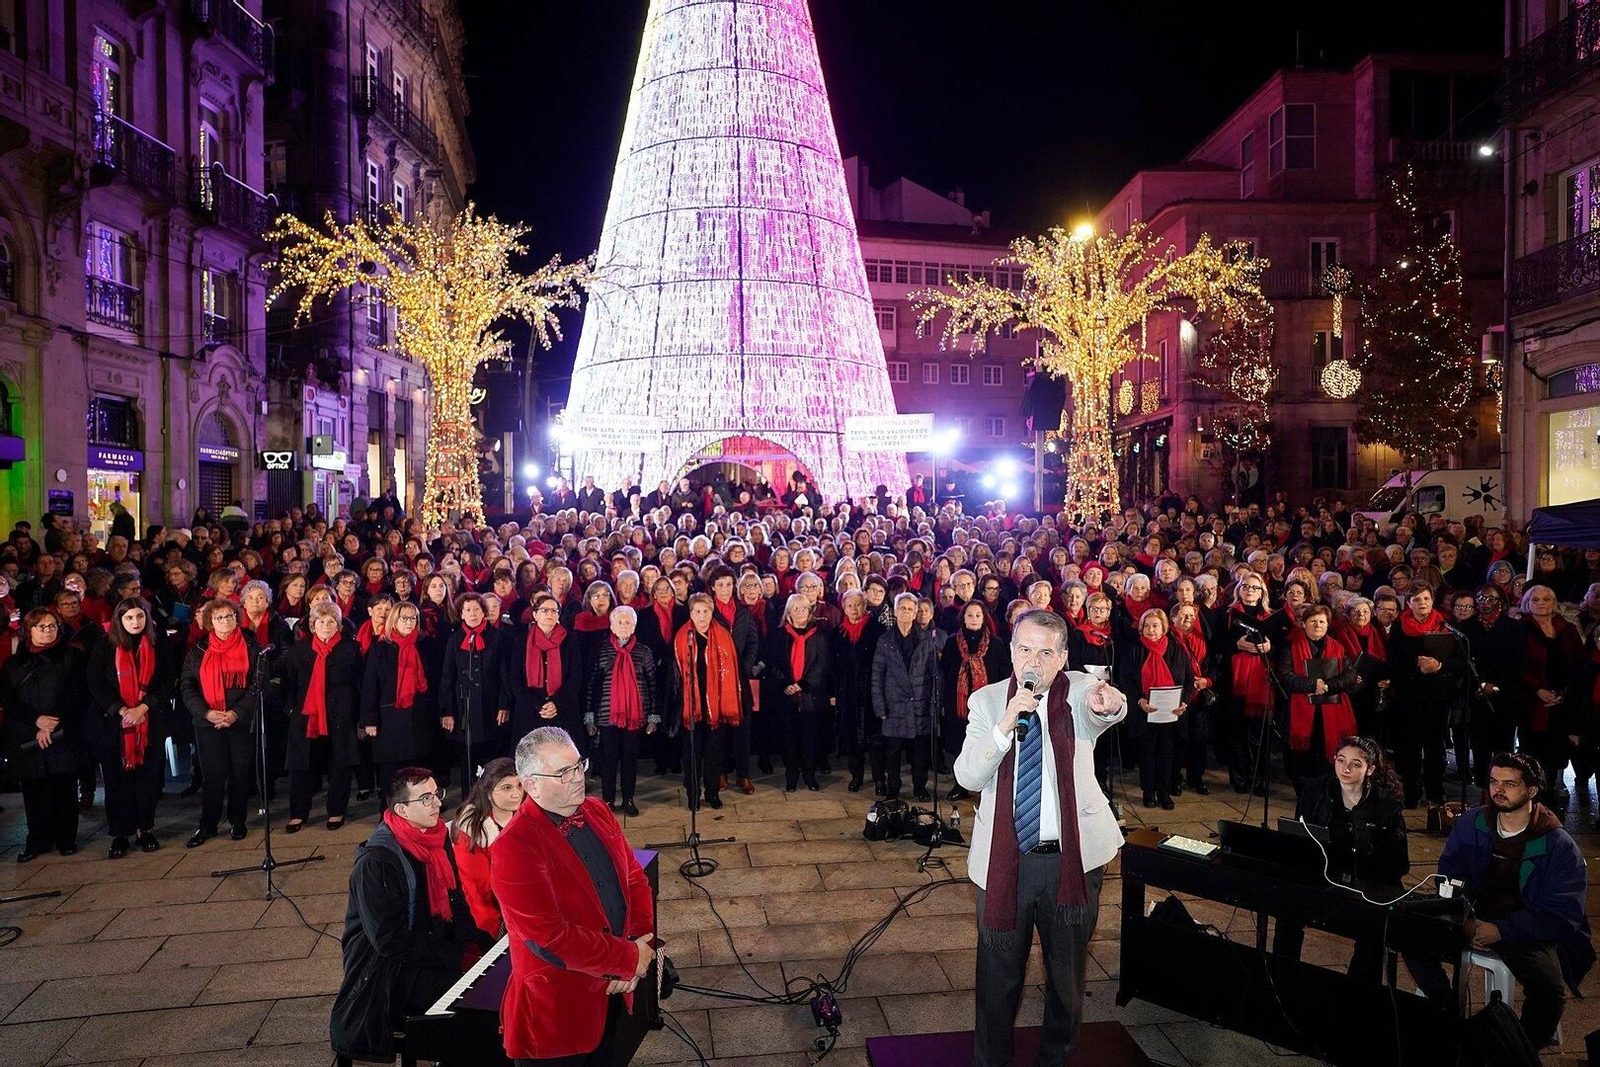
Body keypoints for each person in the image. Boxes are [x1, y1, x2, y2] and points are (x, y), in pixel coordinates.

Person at [954, 609, 1127, 1067]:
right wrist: (1004, 726)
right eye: (1025, 649)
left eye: (1046, 652)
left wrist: (1108, 705)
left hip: (1072, 862)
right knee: (997, 978)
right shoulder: (988, 702)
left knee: (1065, 978)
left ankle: (1055, 1058)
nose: (1034, 661)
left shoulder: (1077, 692)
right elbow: (968, 774)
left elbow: (1107, 705)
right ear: (1011, 652)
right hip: (1005, 863)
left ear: (1063, 657)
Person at [1406, 753, 1594, 1050]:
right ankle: (1449, 1014)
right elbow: (1450, 876)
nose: (1498, 790)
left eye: (1510, 783)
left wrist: (1500, 930)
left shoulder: (1557, 845)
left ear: (1531, 790)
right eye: (1494, 781)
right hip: (1473, 917)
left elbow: (1561, 913)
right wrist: (1467, 920)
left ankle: (1518, 1049)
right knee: (1411, 939)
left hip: (1525, 927)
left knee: (1548, 990)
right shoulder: (1472, 823)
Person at [493, 727, 657, 1066]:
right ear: (531, 784)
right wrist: (626, 960)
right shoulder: (515, 846)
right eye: (563, 772)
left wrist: (637, 943)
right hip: (558, 1014)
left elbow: (634, 879)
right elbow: (549, 937)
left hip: (614, 992)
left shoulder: (596, 810)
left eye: (578, 765)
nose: (578, 777)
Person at [330, 767, 489, 1063]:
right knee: (478, 1006)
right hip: (388, 971)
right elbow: (390, 941)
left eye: (436, 794)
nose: (437, 804)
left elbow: (456, 902)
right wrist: (457, 958)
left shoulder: (436, 837)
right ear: (401, 810)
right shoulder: (376, 861)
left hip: (430, 949)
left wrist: (476, 944)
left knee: (497, 981)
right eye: (426, 798)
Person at [1282, 736, 1409, 982]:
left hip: (1366, 883)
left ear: (1370, 769)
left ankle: (1359, 989)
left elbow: (1398, 864)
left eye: (1356, 764)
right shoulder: (1316, 791)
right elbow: (1301, 840)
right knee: (1287, 907)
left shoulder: (1386, 805)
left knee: (1374, 927)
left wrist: (1366, 880)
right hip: (1323, 878)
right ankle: (1285, 977)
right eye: (1341, 760)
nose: (1346, 769)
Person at [85, 597, 173, 857]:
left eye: (139, 617)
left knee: (146, 778)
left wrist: (143, 708)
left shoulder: (159, 643)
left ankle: (144, 830)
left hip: (149, 720)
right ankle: (120, 834)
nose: (135, 622)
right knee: (116, 780)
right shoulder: (105, 645)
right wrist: (121, 710)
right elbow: (95, 681)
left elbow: (168, 679)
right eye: (129, 618)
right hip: (114, 723)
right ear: (119, 620)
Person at [1, 608, 89, 860]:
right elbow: (7, 697)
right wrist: (36, 721)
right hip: (27, 733)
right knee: (34, 790)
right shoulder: (14, 662)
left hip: (62, 730)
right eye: (41, 627)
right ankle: (37, 840)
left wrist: (52, 722)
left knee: (64, 787)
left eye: (52, 626)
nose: (48, 631)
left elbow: (77, 692)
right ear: (29, 630)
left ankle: (66, 839)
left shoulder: (71, 655)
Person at [179, 598, 262, 847]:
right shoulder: (199, 649)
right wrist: (206, 712)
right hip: (209, 722)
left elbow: (258, 683)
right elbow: (187, 686)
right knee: (213, 776)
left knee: (240, 773)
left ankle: (238, 821)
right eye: (218, 618)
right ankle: (208, 825)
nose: (224, 621)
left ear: (237, 617)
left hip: (239, 720)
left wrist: (237, 712)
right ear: (210, 622)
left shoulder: (250, 645)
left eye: (229, 616)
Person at [284, 601, 363, 832]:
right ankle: (298, 813)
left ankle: (336, 811)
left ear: (338, 625)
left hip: (341, 717)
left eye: (331, 622)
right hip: (307, 718)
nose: (326, 626)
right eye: (320, 621)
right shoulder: (300, 649)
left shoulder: (351, 648)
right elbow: (289, 683)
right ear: (312, 624)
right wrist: (290, 709)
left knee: (340, 764)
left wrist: (358, 717)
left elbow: (359, 684)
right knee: (302, 767)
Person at [582, 606, 659, 815]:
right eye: (620, 622)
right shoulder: (599, 650)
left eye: (628, 622)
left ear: (634, 626)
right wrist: (589, 717)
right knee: (609, 758)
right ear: (612, 625)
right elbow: (590, 685)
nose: (624, 626)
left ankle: (629, 799)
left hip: (635, 716)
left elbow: (653, 685)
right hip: (606, 715)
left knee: (630, 758)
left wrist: (653, 717)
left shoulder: (643, 651)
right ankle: (607, 800)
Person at [1114, 607, 1191, 810]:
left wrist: (1184, 701)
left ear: (1164, 627)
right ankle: (1149, 793)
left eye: (1155, 626)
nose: (1151, 630)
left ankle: (1164, 793)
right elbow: (1126, 680)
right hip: (1144, 712)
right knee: (1147, 754)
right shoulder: (1133, 650)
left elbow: (1188, 679)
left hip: (1171, 714)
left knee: (1167, 754)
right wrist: (1139, 700)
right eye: (1146, 626)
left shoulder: (1176, 649)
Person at [1278, 603, 1359, 792]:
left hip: (1331, 713)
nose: (1317, 625)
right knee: (1301, 761)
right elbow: (1285, 676)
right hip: (1301, 713)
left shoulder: (1338, 648)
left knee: (1328, 759)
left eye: (1322, 621)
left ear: (1328, 624)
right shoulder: (1291, 647)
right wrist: (1312, 685)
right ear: (1304, 623)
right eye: (1313, 621)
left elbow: (1350, 677)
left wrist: (1328, 686)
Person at [674, 592, 740, 810]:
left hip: (717, 706)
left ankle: (712, 793)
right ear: (690, 613)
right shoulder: (682, 637)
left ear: (712, 612)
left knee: (714, 753)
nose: (701, 616)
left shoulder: (723, 636)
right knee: (691, 753)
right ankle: (693, 794)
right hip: (691, 706)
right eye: (697, 612)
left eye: (705, 611)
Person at [872, 592, 940, 801]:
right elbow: (877, 676)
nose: (906, 612)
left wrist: (934, 705)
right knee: (892, 753)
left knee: (920, 753)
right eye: (902, 608)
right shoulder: (885, 641)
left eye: (910, 609)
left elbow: (935, 674)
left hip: (919, 706)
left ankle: (920, 787)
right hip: (894, 707)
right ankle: (893, 788)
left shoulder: (927, 640)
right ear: (895, 611)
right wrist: (880, 708)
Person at [766, 593, 831, 792]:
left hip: (810, 698)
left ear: (809, 612)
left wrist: (803, 684)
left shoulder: (819, 635)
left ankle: (810, 776)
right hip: (787, 698)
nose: (800, 612)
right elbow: (773, 663)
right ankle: (791, 777)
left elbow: (822, 665)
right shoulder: (779, 635)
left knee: (809, 739)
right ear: (788, 612)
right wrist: (786, 683)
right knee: (789, 739)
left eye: (803, 608)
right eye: (795, 608)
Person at [453, 756, 524, 937]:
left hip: (522, 905)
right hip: (491, 916)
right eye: (507, 788)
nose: (517, 793)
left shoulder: (524, 816)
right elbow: (482, 888)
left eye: (520, 785)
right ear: (488, 792)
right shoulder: (472, 830)